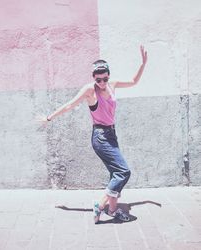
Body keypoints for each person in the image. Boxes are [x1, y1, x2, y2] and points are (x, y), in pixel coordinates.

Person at [37, 46, 147, 224]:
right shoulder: (90, 90)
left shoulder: (112, 85)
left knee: (115, 173)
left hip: (111, 135)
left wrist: (143, 64)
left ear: (108, 75)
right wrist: (49, 118)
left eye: (105, 78)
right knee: (123, 171)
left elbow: (134, 81)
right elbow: (69, 105)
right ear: (93, 78)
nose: (102, 82)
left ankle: (112, 210)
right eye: (98, 79)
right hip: (101, 137)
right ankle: (101, 204)